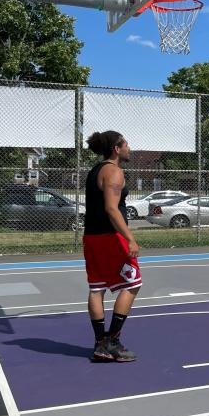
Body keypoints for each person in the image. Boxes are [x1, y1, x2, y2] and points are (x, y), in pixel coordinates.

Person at [83, 131, 141, 361]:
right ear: (117, 149)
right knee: (133, 284)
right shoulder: (114, 172)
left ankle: (100, 344)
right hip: (111, 237)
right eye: (126, 143)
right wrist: (130, 238)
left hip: (91, 237)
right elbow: (111, 209)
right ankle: (113, 341)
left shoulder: (94, 171)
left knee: (97, 288)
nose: (129, 147)